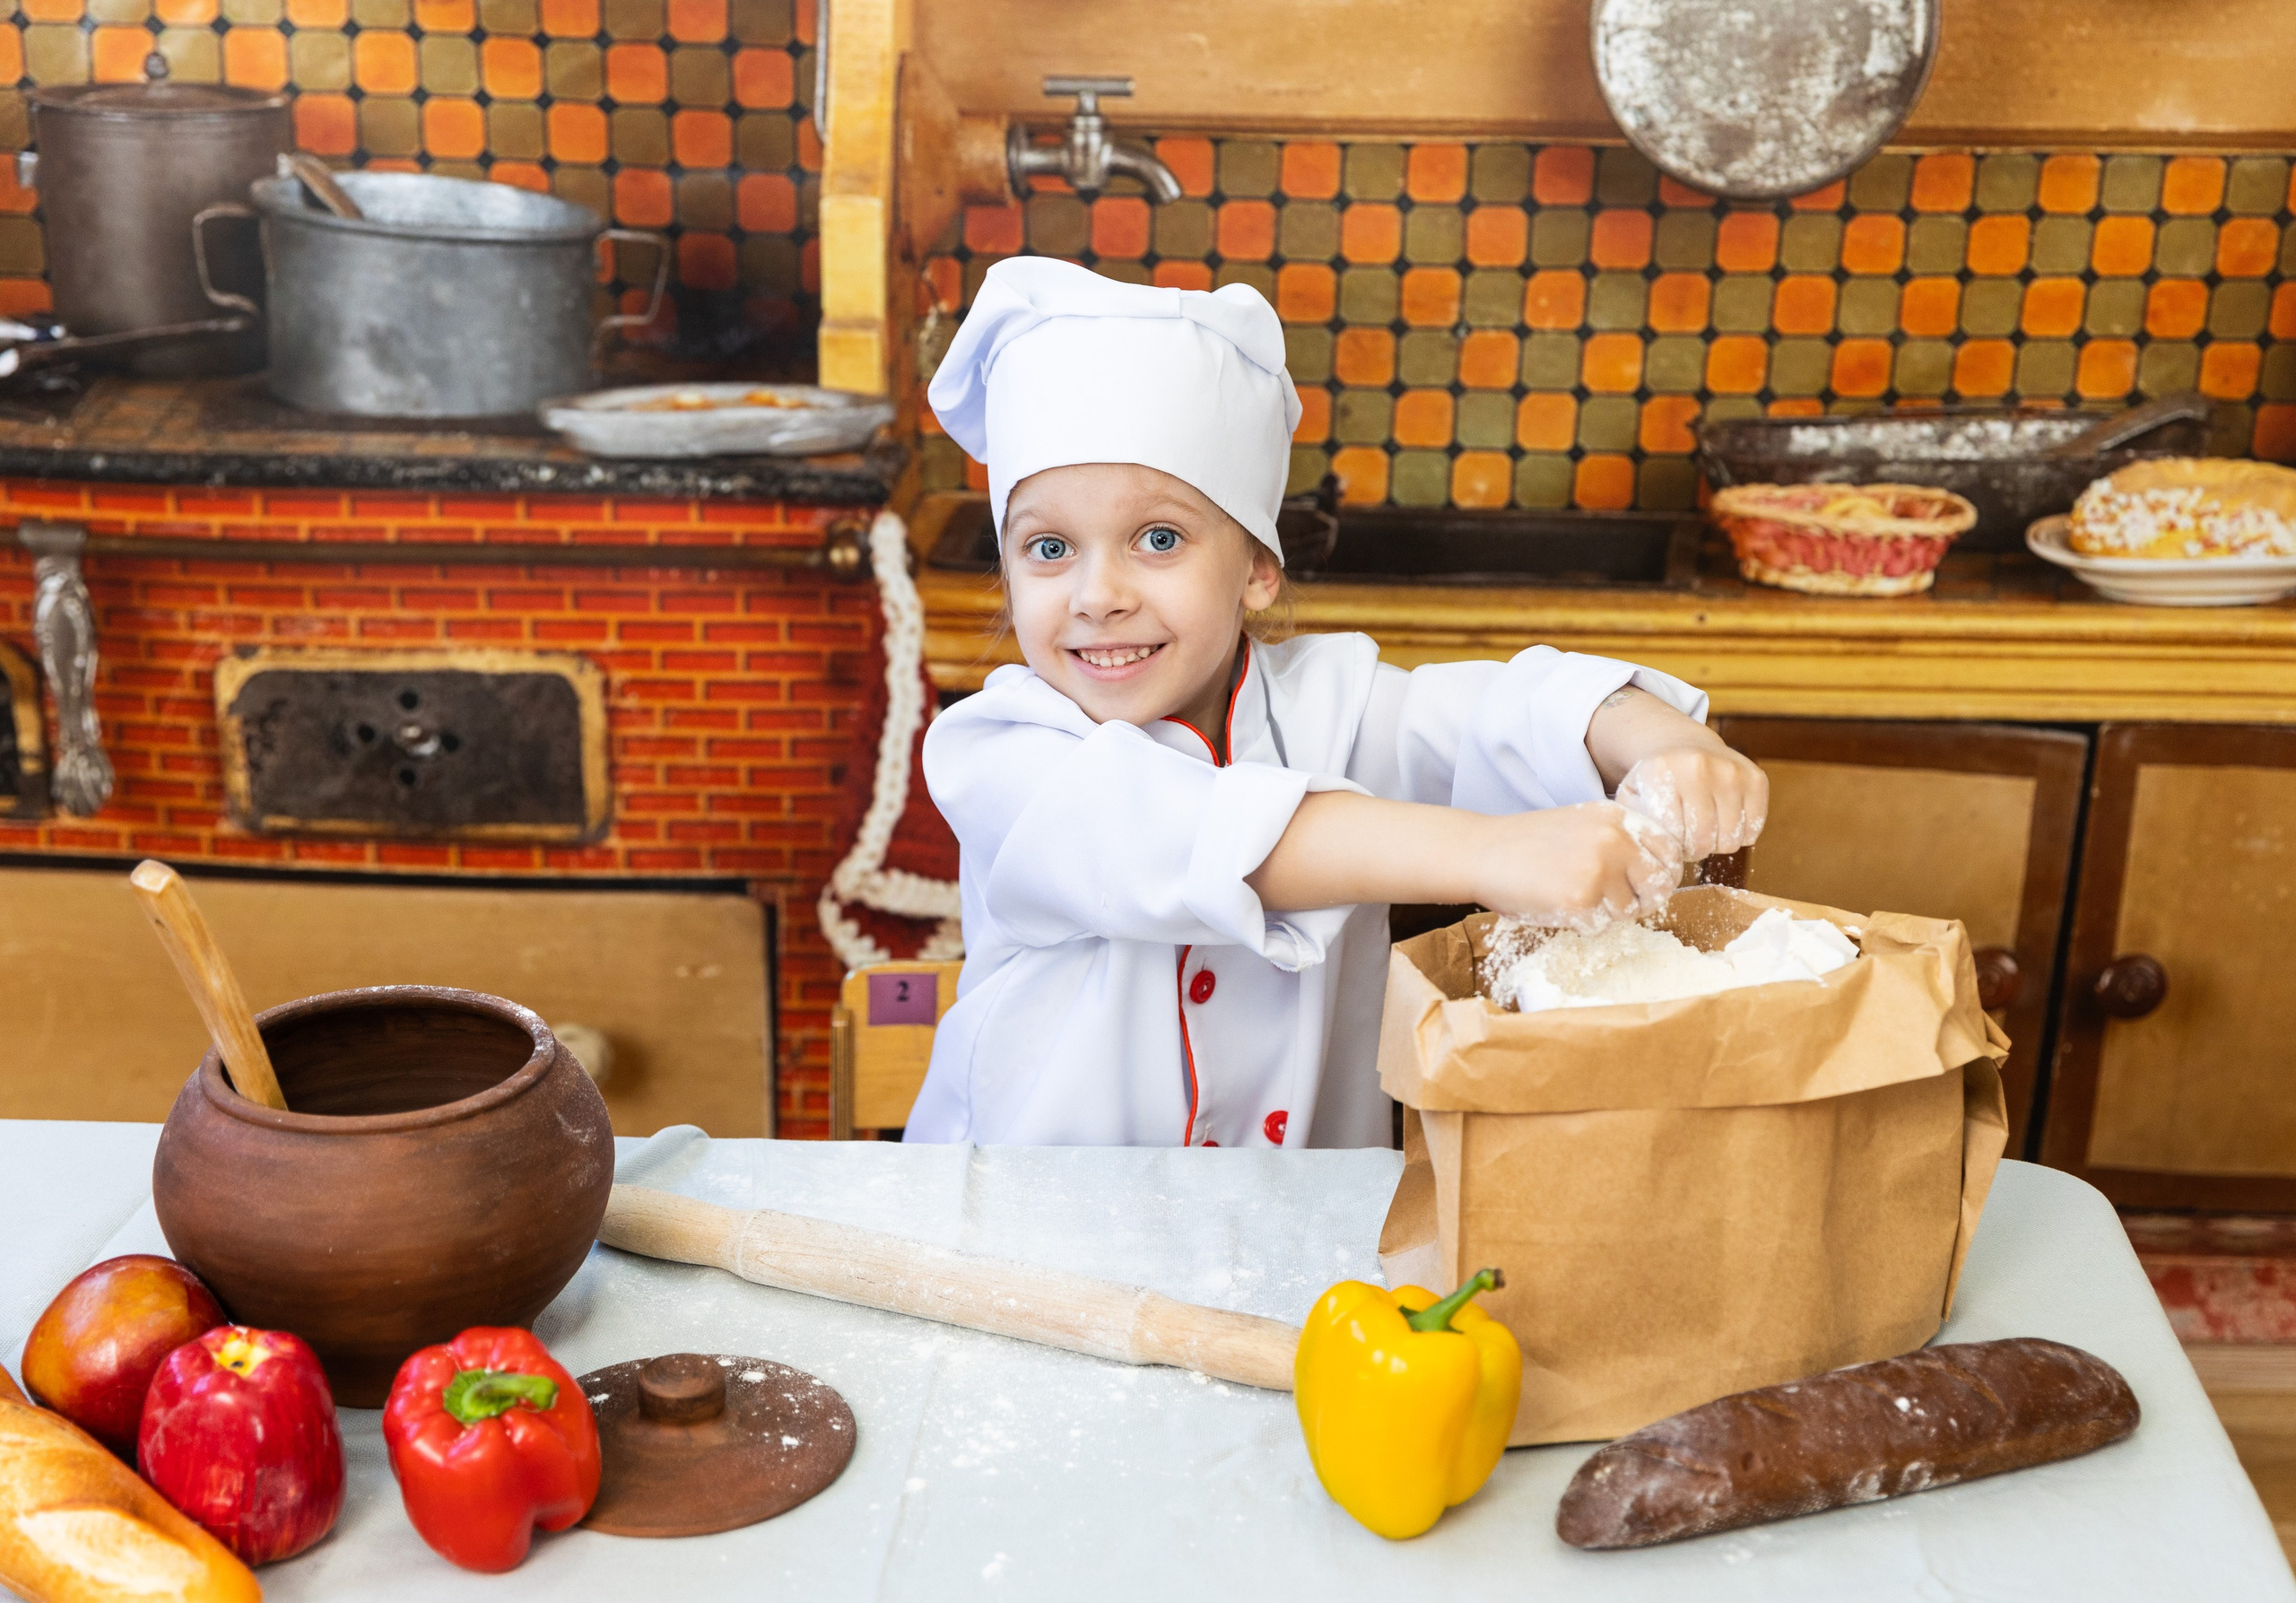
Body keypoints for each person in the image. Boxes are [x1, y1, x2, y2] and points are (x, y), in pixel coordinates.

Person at [908, 257, 1767, 1149]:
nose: (1097, 594)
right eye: (1047, 547)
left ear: (1257, 570)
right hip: (1019, 1244)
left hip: (1302, 1244)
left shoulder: (1335, 704)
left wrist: (1658, 738)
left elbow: (1493, 708)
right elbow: (1211, 837)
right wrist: (1487, 851)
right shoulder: (997, 756)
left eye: (1157, 538)